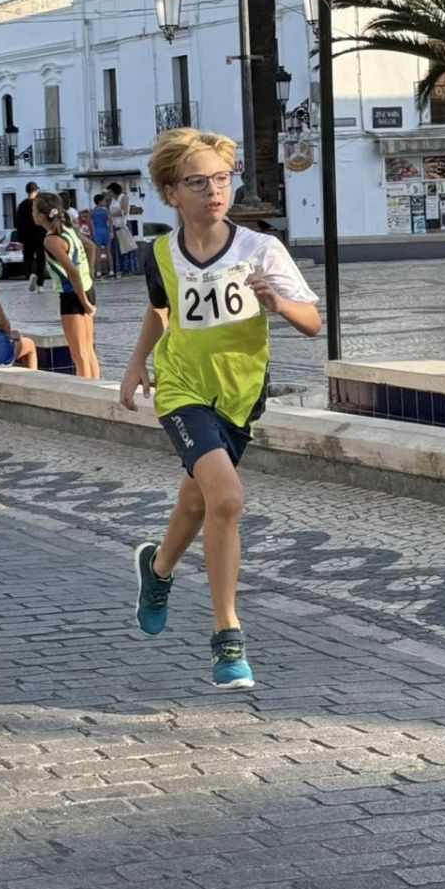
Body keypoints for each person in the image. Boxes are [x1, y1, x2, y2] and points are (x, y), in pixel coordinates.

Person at [121, 128, 321, 691]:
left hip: (239, 395)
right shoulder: (160, 253)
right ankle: (227, 636)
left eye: (221, 178)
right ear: (171, 193)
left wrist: (276, 303)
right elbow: (161, 310)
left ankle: (157, 569)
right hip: (182, 388)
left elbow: (312, 323)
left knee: (197, 498)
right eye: (198, 182)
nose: (214, 190)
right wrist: (137, 363)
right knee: (227, 499)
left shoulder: (261, 249)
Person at [39, 192, 100, 379]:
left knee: (78, 354)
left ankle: (86, 392)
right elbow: (91, 247)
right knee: (88, 350)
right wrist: (88, 274)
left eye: (33, 210)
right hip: (87, 288)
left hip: (72, 295)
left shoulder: (51, 240)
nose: (31, 213)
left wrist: (84, 302)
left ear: (41, 216)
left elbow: (72, 271)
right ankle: (97, 388)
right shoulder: (68, 230)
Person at [15, 182, 44, 292]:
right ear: (36, 191)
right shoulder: (40, 204)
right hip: (40, 235)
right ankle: (41, 285)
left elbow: (18, 223)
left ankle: (31, 273)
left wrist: (20, 239)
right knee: (41, 259)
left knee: (28, 258)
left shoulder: (22, 205)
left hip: (27, 237)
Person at [90, 193, 114, 278]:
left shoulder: (92, 211)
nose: (105, 202)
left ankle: (98, 272)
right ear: (99, 201)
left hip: (97, 231)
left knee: (98, 253)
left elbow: (91, 223)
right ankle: (111, 271)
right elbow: (110, 221)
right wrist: (111, 231)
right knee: (108, 252)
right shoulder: (106, 211)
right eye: (103, 200)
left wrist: (92, 232)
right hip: (105, 230)